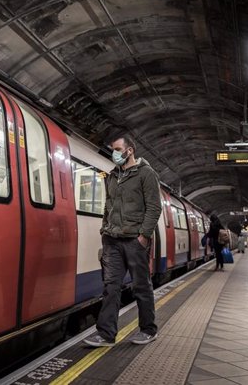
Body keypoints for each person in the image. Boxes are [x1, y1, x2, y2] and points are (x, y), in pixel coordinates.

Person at [84, 135, 161, 348]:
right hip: (112, 240)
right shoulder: (111, 176)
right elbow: (108, 206)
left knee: (141, 286)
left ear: (130, 150)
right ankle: (106, 334)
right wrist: (104, 228)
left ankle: (148, 330)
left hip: (134, 240)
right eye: (112, 149)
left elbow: (154, 207)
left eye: (118, 149)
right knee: (111, 287)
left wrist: (144, 236)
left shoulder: (146, 174)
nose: (114, 153)